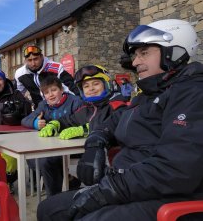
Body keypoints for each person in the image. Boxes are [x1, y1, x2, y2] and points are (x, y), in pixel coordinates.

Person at [37, 19, 203, 220]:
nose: (134, 62)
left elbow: (178, 167)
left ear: (173, 52)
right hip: (132, 186)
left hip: (169, 196)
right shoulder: (148, 95)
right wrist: (96, 142)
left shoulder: (192, 93)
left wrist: (108, 191)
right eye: (135, 54)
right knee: (48, 209)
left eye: (144, 53)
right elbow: (114, 121)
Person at [22, 73, 82, 197]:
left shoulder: (74, 101)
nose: (51, 94)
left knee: (46, 161)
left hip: (73, 145)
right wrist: (35, 123)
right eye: (47, 92)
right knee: (32, 158)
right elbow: (24, 120)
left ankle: (53, 197)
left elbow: (82, 120)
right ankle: (69, 180)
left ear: (61, 90)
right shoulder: (43, 105)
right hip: (51, 146)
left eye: (54, 90)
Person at [38, 65, 127, 141]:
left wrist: (85, 130)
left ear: (106, 85)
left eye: (96, 84)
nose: (91, 89)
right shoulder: (86, 108)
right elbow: (69, 120)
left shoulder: (117, 105)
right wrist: (55, 124)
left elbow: (113, 124)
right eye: (86, 86)